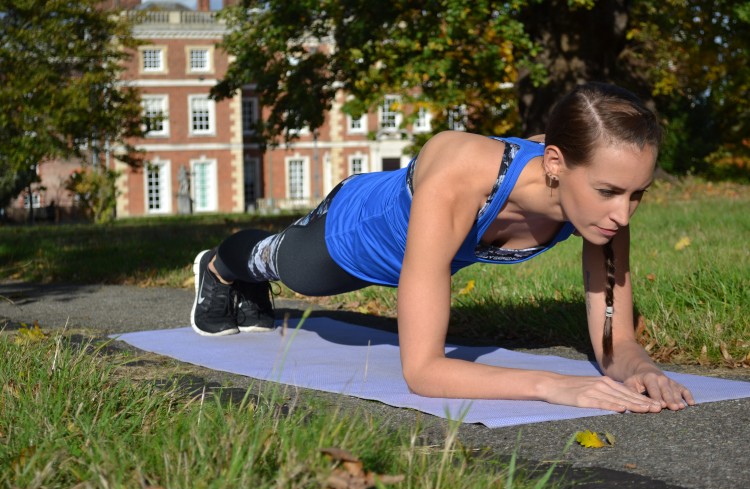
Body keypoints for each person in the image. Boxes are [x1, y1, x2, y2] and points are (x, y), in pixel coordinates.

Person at [190, 82, 695, 413]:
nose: (623, 215)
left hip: (427, 259)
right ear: (556, 163)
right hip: (352, 233)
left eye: (637, 194)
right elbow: (424, 372)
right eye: (610, 192)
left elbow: (615, 344)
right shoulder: (462, 171)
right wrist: (552, 385)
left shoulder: (600, 205)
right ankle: (218, 269)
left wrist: (643, 369)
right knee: (283, 266)